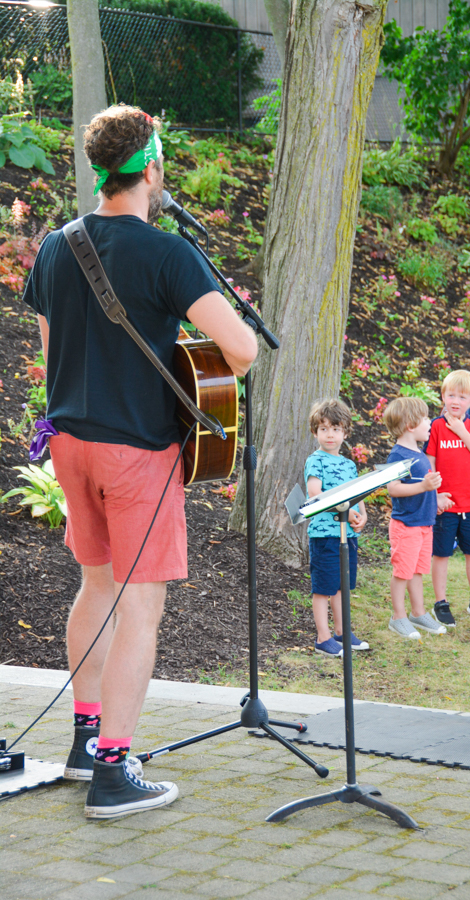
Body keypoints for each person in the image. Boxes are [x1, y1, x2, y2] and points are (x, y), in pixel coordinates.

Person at [22, 105, 258, 819]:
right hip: (136, 453)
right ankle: (113, 773)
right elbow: (241, 352)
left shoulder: (55, 246)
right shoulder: (167, 254)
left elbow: (51, 350)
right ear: (151, 169)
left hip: (70, 443)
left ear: (102, 169)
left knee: (96, 588)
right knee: (141, 609)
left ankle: (84, 742)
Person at [425, 370, 470, 627]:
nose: (456, 401)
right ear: (443, 396)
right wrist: (435, 494)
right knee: (441, 554)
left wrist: (461, 430)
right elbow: (430, 461)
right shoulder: (436, 426)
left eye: (462, 397)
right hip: (445, 504)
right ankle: (440, 603)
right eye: (451, 395)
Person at [304, 398, 369, 657]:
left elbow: (358, 494)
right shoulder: (315, 461)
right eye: (324, 429)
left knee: (342, 586)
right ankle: (323, 638)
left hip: (347, 534)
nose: (329, 434)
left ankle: (343, 633)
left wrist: (362, 515)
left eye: (335, 428)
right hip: (325, 536)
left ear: (345, 432)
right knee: (324, 587)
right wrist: (345, 511)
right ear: (315, 432)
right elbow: (315, 494)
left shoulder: (349, 464)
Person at [383, 397, 447, 640]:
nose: (429, 422)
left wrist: (436, 498)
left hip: (423, 525)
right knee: (403, 572)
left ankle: (418, 613)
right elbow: (393, 489)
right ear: (410, 425)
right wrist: (425, 488)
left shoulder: (418, 453)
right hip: (406, 526)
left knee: (417, 571)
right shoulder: (398, 455)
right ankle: (398, 616)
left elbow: (422, 487)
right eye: (425, 418)